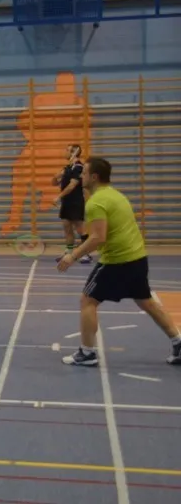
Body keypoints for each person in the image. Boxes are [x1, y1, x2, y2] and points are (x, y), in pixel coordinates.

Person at [57, 157, 181, 366]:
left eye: (84, 173)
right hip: (137, 257)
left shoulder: (96, 202)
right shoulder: (116, 195)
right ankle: (178, 342)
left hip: (117, 260)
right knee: (146, 301)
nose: (81, 176)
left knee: (88, 300)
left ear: (94, 177)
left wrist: (72, 256)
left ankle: (87, 353)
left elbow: (98, 237)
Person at [52, 144, 91, 264]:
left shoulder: (78, 167)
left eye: (67, 150)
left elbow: (72, 185)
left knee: (80, 229)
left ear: (74, 153)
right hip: (66, 202)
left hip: (76, 202)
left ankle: (86, 254)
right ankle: (68, 253)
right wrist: (55, 177)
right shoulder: (68, 167)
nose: (65, 152)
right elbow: (54, 183)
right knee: (67, 228)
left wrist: (58, 197)